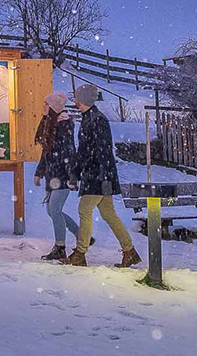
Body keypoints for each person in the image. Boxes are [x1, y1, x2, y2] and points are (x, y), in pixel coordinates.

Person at [67, 83, 140, 268]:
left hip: (97, 175)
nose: (74, 99)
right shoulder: (92, 118)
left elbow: (92, 151)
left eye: (76, 97)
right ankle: (129, 251)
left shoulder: (95, 120)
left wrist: (80, 173)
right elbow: (93, 151)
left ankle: (80, 253)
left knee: (84, 210)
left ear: (82, 100)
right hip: (102, 173)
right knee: (108, 213)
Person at [32, 90, 79, 262]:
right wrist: (39, 173)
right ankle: (82, 236)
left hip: (62, 175)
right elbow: (46, 152)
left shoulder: (64, 126)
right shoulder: (50, 124)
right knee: (53, 211)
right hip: (52, 175)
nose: (43, 106)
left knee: (55, 210)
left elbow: (69, 152)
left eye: (46, 104)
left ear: (52, 108)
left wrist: (72, 177)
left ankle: (60, 247)